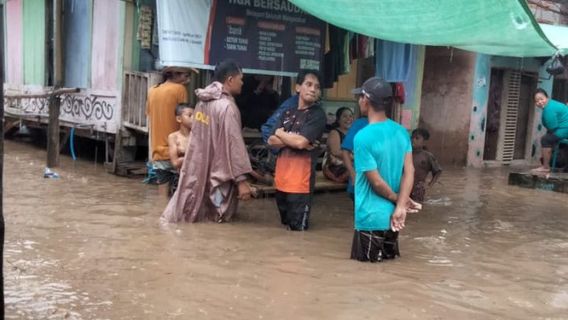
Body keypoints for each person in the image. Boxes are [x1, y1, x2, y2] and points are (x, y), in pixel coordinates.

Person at [161, 60, 253, 223]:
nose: (243, 82)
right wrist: (242, 181)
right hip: (220, 179)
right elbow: (234, 146)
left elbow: (196, 139)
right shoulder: (227, 107)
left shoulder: (202, 103)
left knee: (194, 216)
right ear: (230, 80)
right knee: (219, 221)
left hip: (198, 173)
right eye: (241, 78)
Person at [350, 77, 419, 263]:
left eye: (360, 97)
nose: (359, 101)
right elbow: (409, 171)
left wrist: (401, 202)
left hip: (370, 218)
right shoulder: (401, 131)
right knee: (387, 269)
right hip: (394, 218)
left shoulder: (362, 137)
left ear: (366, 99)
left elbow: (377, 183)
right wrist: (401, 205)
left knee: (366, 274)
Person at [267, 69, 327, 231]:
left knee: (297, 232)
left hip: (301, 184)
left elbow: (301, 143)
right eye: (308, 84)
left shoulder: (317, 115)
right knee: (284, 227)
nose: (313, 89)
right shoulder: (287, 112)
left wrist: (282, 134)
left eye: (317, 86)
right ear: (298, 87)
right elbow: (271, 140)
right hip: (281, 182)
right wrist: (288, 138)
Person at [146, 66, 196, 196]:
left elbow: (149, 115)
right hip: (178, 150)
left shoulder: (152, 90)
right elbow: (186, 116)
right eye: (186, 76)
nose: (188, 80)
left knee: (162, 197)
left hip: (158, 152)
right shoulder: (179, 89)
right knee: (183, 196)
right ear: (175, 75)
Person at [532, 88, 568, 173]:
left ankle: (545, 167)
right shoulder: (552, 104)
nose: (540, 102)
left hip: (564, 129)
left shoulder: (549, 109)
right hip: (563, 128)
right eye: (537, 101)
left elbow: (552, 127)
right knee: (549, 138)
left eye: (541, 99)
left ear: (547, 97)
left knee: (545, 139)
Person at [341, 103, 370, 202]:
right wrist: (352, 174)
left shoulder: (389, 126)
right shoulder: (359, 124)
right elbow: (345, 150)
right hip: (360, 181)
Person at [165, 103, 194, 196]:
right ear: (179, 119)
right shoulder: (173, 137)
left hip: (195, 179)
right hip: (179, 179)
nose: (193, 118)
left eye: (195, 115)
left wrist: (184, 157)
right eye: (189, 115)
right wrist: (192, 157)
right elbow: (175, 163)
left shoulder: (198, 136)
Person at [410, 128, 442, 202]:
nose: (413, 140)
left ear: (424, 142)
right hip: (405, 186)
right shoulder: (407, 154)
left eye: (417, 138)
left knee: (417, 207)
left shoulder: (427, 156)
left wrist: (429, 185)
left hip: (418, 188)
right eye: (412, 137)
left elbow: (438, 171)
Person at [323, 107, 353, 183]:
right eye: (345, 116)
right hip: (334, 166)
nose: (348, 119)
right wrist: (354, 157)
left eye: (350, 116)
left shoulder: (353, 133)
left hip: (349, 163)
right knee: (358, 171)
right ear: (338, 119)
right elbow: (336, 152)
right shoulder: (335, 132)